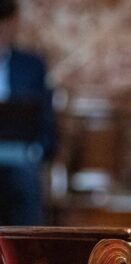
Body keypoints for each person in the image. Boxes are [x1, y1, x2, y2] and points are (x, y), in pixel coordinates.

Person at [0, 0, 56, 225]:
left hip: (20, 152)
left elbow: (45, 119)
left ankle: (29, 254)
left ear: (12, 25)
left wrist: (39, 149)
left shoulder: (31, 65)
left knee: (26, 173)